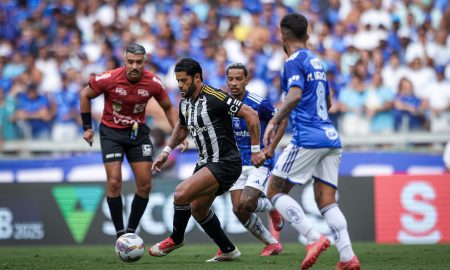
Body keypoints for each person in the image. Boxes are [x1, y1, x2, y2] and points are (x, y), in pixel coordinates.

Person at [263, 14, 360, 270]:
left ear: (282, 34)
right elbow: (327, 103)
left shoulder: (293, 61)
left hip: (308, 137)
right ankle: (348, 257)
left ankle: (313, 237)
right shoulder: (317, 60)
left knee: (273, 191)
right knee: (327, 200)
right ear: (306, 34)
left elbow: (294, 95)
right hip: (331, 136)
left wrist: (274, 121)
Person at [149, 57, 266, 262]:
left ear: (197, 78)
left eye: (184, 80)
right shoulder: (185, 103)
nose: (180, 85)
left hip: (226, 162)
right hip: (206, 161)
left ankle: (176, 239)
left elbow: (251, 114)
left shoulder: (215, 96)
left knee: (180, 193)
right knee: (198, 209)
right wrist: (166, 151)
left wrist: (256, 150)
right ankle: (228, 249)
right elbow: (182, 128)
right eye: (178, 81)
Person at [79, 43, 187, 239]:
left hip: (138, 134)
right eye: (131, 62)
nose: (135, 66)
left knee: (145, 185)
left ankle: (131, 232)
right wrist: (87, 128)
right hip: (111, 133)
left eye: (139, 62)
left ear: (144, 62)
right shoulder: (109, 78)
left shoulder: (153, 82)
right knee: (113, 181)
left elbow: (169, 108)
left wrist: (178, 133)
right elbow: (85, 94)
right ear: (125, 62)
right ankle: (120, 234)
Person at [225, 63, 287, 256]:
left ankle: (271, 206)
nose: (234, 83)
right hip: (235, 163)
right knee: (238, 209)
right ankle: (271, 243)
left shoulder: (259, 103)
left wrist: (270, 147)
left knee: (248, 203)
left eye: (238, 79)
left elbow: (282, 120)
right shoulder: (223, 103)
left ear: (247, 80)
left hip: (258, 160)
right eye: (230, 79)